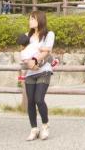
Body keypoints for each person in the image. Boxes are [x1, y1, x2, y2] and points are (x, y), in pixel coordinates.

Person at [23, 10, 55, 141]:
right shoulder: (27, 36)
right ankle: (34, 129)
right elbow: (23, 53)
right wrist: (29, 63)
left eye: (33, 19)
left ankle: (45, 125)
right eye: (30, 19)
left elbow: (47, 52)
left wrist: (35, 61)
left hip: (44, 70)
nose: (30, 21)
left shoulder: (48, 34)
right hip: (30, 72)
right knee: (30, 101)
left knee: (39, 99)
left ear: (40, 20)